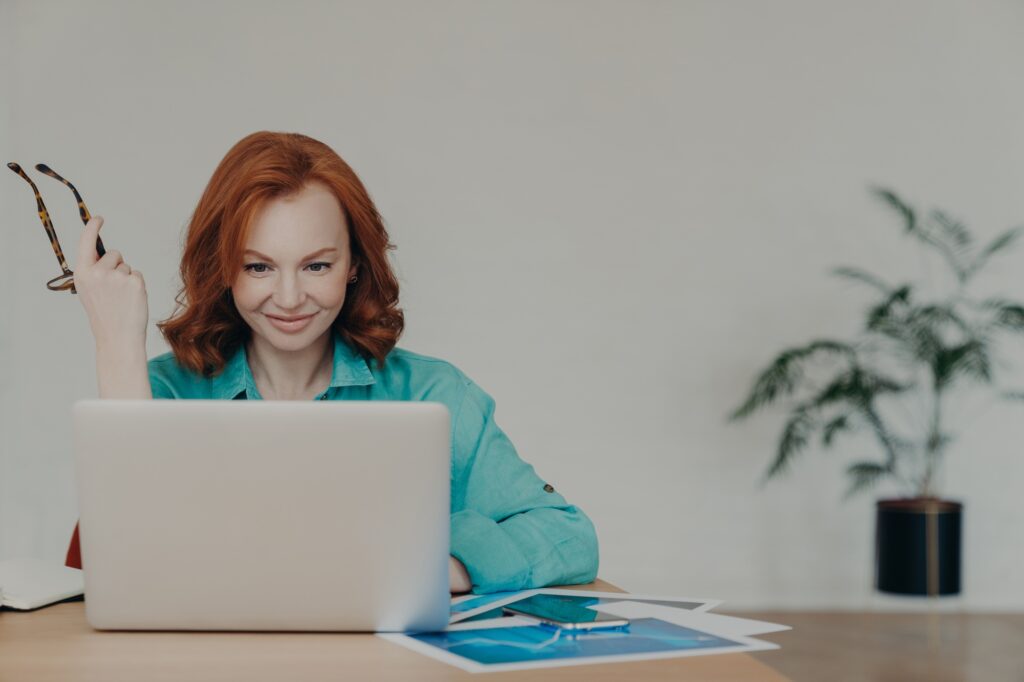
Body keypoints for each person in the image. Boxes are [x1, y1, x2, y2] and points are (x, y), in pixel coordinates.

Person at [66, 131, 599, 594]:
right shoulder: (161, 393)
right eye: (258, 267)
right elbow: (125, 563)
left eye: (317, 264)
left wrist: (454, 565)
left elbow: (568, 535)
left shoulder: (434, 395)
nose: (291, 297)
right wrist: (115, 345)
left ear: (353, 266)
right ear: (224, 269)